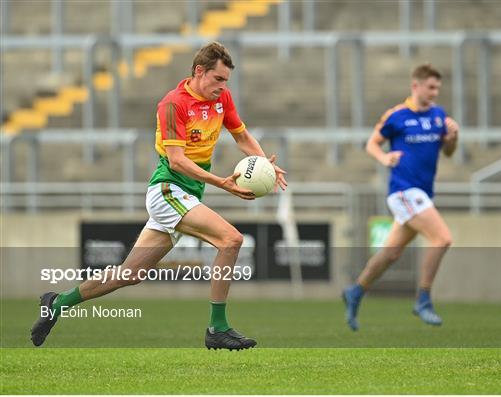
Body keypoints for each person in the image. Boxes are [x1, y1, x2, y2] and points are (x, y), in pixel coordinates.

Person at [31, 41, 287, 350]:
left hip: (187, 193)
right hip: (168, 189)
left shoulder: (222, 100)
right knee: (231, 240)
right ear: (199, 71)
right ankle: (217, 327)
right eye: (218, 79)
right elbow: (177, 160)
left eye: (226, 81)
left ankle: (56, 302)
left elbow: (242, 136)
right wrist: (223, 183)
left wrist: (265, 166)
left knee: (129, 274)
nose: (223, 87)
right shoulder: (172, 103)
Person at [343, 63, 459, 331]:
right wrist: (384, 158)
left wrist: (453, 137)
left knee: (390, 254)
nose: (435, 92)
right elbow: (372, 143)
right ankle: (423, 299)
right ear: (415, 86)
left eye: (438, 88)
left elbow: (449, 153)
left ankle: (356, 292)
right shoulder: (397, 116)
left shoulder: (439, 116)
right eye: (431, 87)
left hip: (423, 193)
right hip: (404, 191)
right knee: (442, 239)